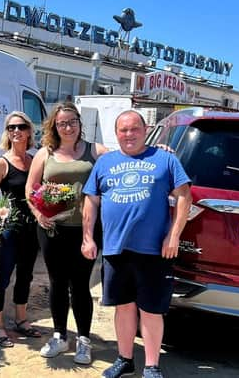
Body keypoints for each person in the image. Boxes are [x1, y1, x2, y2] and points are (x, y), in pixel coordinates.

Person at [82, 110, 192, 378]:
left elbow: (184, 197)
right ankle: (125, 359)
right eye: (123, 130)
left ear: (145, 130)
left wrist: (173, 235)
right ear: (116, 133)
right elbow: (91, 200)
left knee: (151, 309)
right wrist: (87, 237)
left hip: (154, 249)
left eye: (134, 129)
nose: (128, 134)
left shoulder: (165, 159)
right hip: (115, 249)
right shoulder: (105, 163)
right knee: (123, 306)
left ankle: (152, 366)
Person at [25, 102, 108, 364]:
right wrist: (39, 214)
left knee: (81, 286)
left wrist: (156, 150)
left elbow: (127, 159)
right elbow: (30, 189)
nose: (68, 127)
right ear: (55, 126)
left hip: (85, 231)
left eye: (72, 121)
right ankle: (60, 336)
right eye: (62, 123)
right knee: (57, 283)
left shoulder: (96, 151)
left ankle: (83, 340)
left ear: (80, 123)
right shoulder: (44, 153)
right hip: (52, 230)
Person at [0, 111, 42, 348]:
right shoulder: (1, 163)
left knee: (26, 276)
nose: (16, 131)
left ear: (29, 131)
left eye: (20, 127)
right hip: (9, 229)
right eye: (11, 128)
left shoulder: (35, 160)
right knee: (2, 277)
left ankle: (21, 319)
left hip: (32, 228)